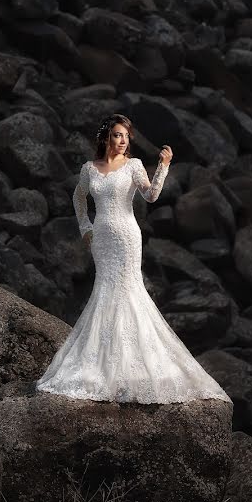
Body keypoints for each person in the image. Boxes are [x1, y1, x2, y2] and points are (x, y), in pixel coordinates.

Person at [35, 114, 232, 404]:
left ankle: (134, 366)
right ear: (106, 138)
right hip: (101, 239)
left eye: (126, 135)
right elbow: (79, 198)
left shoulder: (134, 166)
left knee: (129, 291)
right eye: (117, 135)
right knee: (104, 292)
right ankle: (102, 364)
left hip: (127, 237)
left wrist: (163, 166)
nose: (122, 140)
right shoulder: (89, 169)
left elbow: (151, 196)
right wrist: (85, 228)